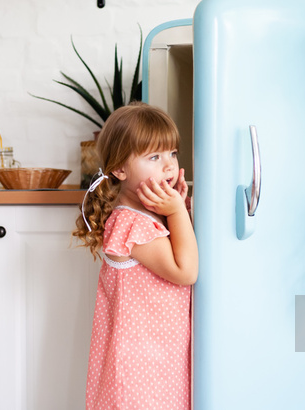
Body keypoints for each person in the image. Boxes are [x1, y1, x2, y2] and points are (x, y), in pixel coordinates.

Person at [74, 102, 198, 409]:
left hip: (157, 360)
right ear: (120, 169)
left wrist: (174, 213)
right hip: (142, 368)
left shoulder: (145, 219)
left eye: (172, 153)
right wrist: (178, 211)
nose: (169, 165)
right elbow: (185, 272)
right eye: (154, 157)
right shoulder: (132, 225)